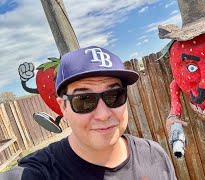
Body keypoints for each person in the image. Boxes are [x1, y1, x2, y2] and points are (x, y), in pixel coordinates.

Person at [0, 46, 176, 180]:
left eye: (114, 95)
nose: (103, 114)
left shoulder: (154, 155)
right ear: (63, 108)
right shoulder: (40, 172)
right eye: (84, 100)